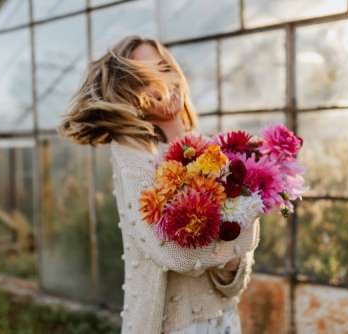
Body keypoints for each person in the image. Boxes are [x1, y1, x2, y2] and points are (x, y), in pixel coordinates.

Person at [58, 35, 261, 333]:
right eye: (147, 74)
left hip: (224, 320)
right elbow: (176, 254)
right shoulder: (130, 153)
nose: (162, 82)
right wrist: (239, 239)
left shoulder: (202, 145)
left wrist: (235, 242)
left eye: (165, 68)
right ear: (128, 86)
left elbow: (236, 256)